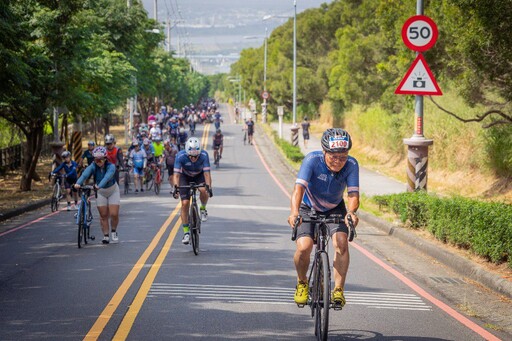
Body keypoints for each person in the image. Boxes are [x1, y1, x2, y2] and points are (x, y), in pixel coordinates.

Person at [288, 128, 360, 308]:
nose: (338, 161)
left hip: (335, 207)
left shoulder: (352, 164)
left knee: (342, 243)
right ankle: (302, 282)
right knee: (304, 247)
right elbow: (299, 189)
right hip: (308, 207)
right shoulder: (312, 160)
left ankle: (338, 290)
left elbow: (353, 194)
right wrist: (295, 212)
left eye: (342, 157)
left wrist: (351, 213)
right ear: (324, 151)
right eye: (333, 157)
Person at [74, 146, 120, 244]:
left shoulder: (111, 166)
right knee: (103, 215)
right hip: (101, 192)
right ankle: (106, 236)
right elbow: (85, 174)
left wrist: (99, 186)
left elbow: (107, 177)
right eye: (96, 160)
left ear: (105, 158)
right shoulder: (93, 166)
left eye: (101, 160)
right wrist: (78, 183)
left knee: (114, 214)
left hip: (112, 190)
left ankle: (114, 231)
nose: (98, 162)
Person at [172, 137, 213, 245]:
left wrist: (209, 187)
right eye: (191, 156)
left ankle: (203, 208)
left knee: (204, 190)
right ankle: (186, 233)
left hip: (199, 175)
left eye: (196, 156)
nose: (194, 159)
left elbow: (207, 174)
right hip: (185, 176)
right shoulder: (180, 156)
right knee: (185, 203)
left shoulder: (204, 155)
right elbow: (176, 175)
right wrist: (175, 188)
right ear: (186, 153)